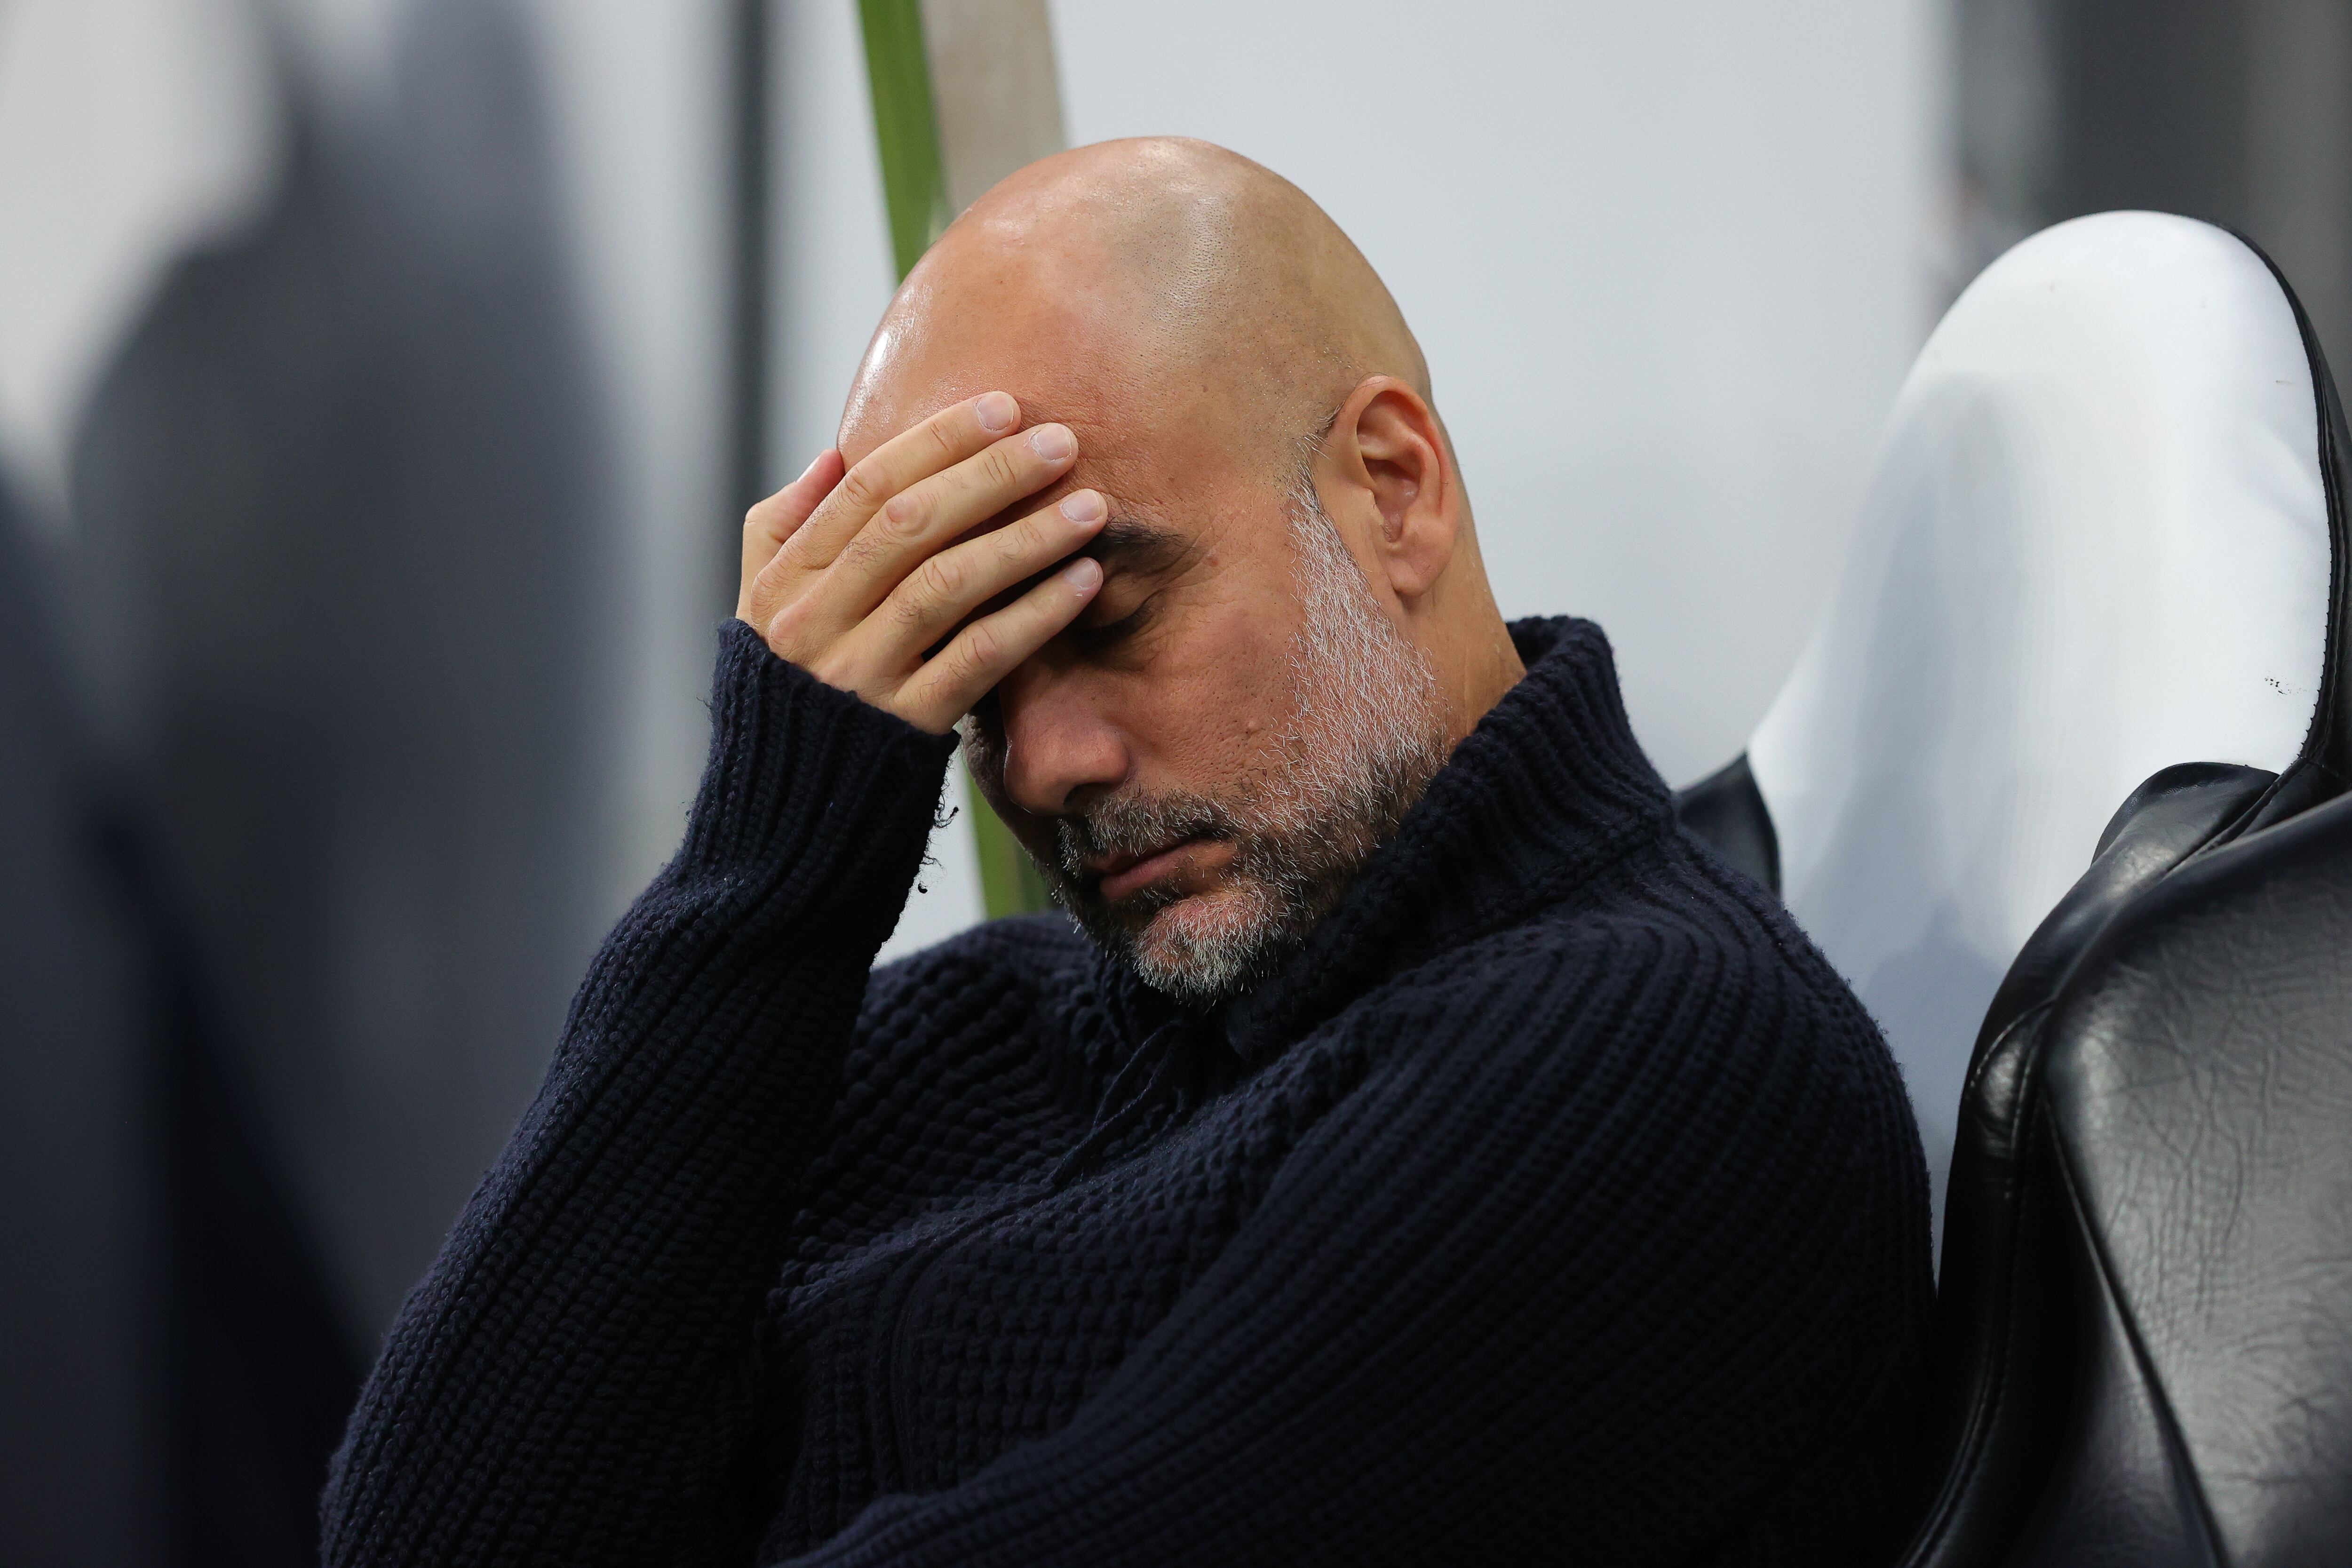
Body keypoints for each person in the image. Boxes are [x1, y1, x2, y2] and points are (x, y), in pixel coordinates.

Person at [322, 138, 1931, 1567]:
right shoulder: (971, 1039)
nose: (1045, 766)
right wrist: (774, 865)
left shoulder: (1658, 1066)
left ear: (1392, 489)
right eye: (966, 685)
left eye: (1114, 618)